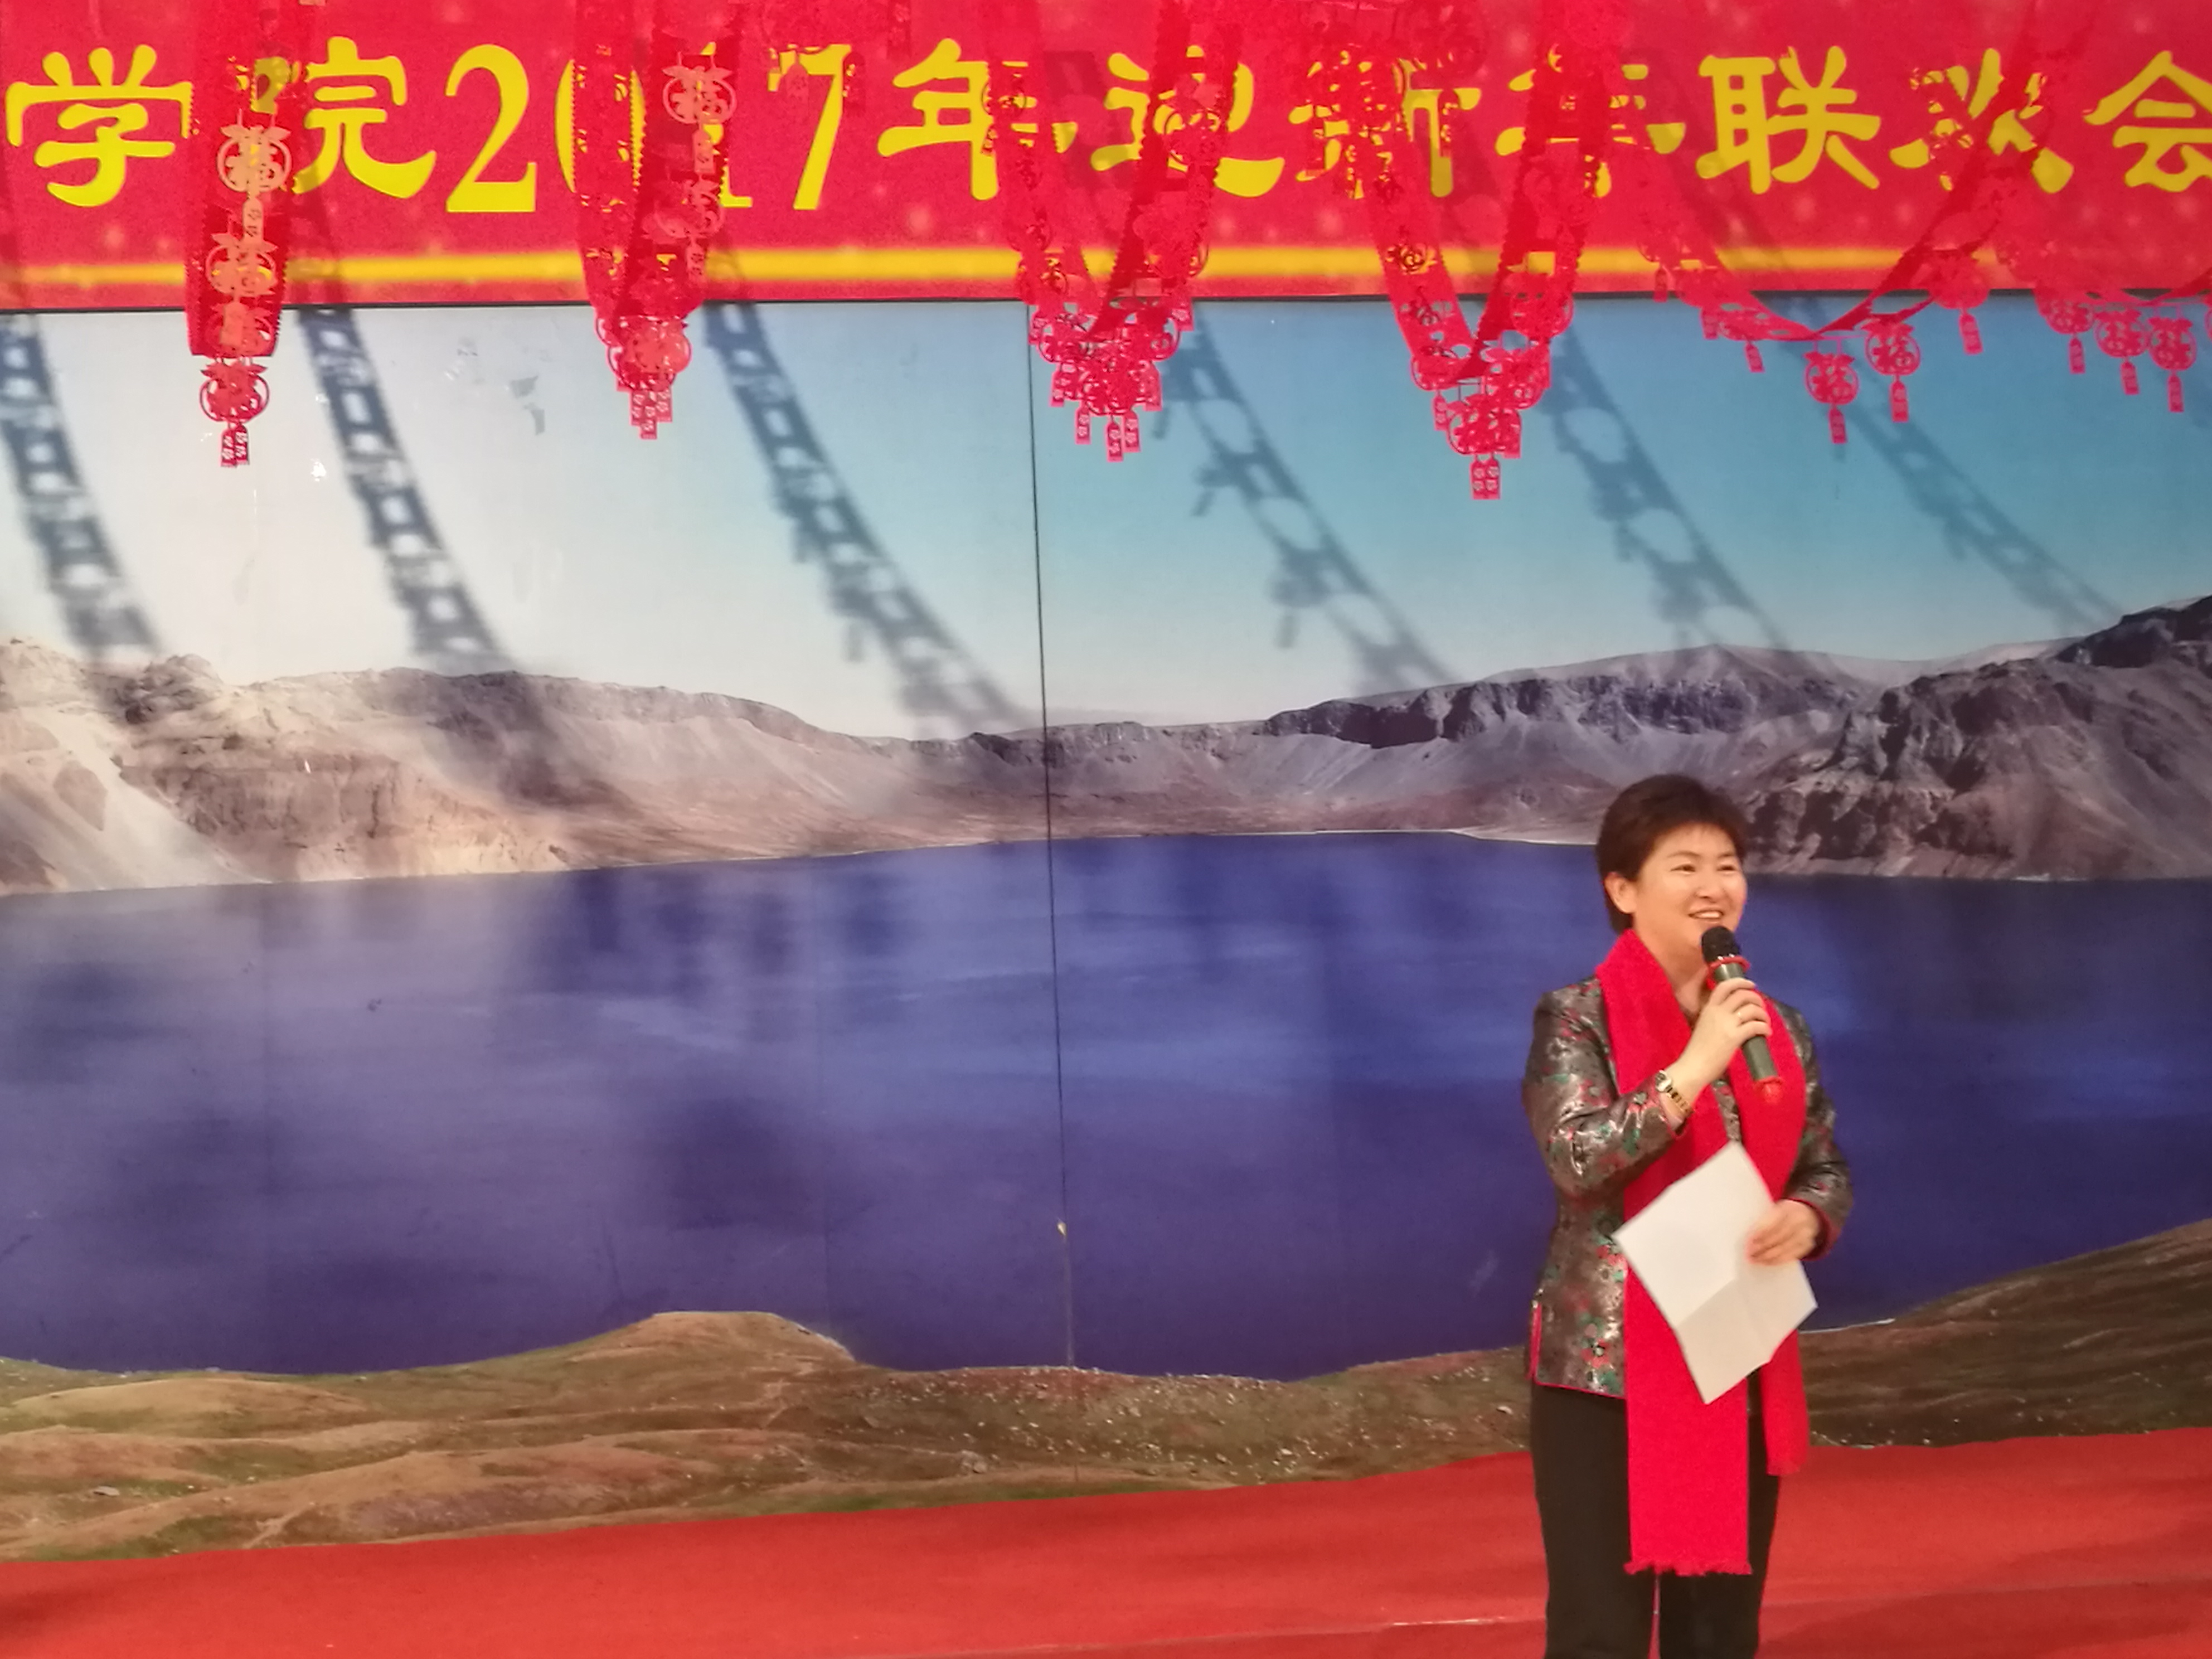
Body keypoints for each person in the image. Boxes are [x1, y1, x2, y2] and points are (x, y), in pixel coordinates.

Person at [1521, 774, 1851, 1659]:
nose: (1714, 887)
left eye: (1728, 865)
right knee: (1601, 1629)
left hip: (1730, 1346)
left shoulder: (1775, 1027)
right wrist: (1692, 1067)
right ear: (1623, 889)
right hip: (1605, 1373)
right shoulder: (1576, 1018)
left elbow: (1822, 1164)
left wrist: (1808, 1217)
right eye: (1685, 867)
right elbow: (1578, 1161)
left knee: (1719, 1630)